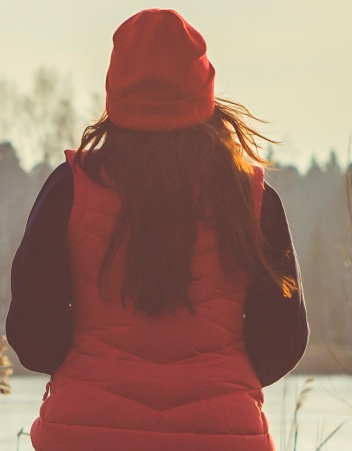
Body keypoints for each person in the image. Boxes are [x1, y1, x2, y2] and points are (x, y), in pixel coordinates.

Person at [5, 9, 308, 451]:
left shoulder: (71, 190)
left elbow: (33, 336)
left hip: (85, 434)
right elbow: (285, 338)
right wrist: (219, 382)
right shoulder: (253, 199)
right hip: (220, 436)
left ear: (114, 97)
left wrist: (88, 370)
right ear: (205, 96)